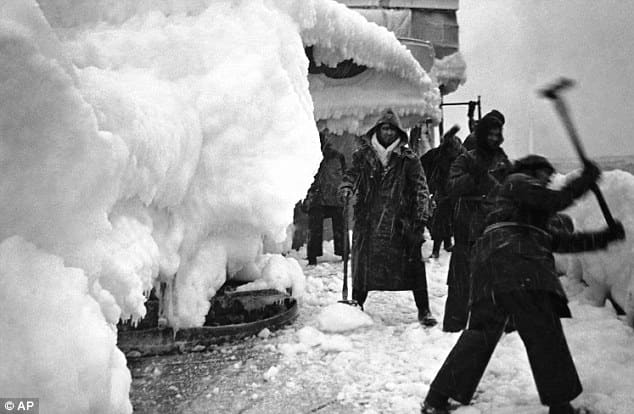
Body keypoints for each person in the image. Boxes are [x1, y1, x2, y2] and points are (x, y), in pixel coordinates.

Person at [421, 155, 626, 414]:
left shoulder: (524, 215)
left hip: (493, 268)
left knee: (479, 337)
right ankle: (560, 406)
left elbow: (562, 242)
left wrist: (606, 237)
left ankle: (436, 399)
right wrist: (586, 180)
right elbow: (554, 200)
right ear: (532, 171)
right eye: (545, 176)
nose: (548, 182)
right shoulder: (517, 181)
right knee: (544, 334)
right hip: (519, 265)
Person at [338, 109, 437, 326]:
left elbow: (421, 188)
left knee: (413, 266)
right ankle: (357, 302)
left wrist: (421, 217)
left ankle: (424, 309)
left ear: (399, 133)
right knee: (364, 266)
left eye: (392, 129)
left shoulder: (408, 159)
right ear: (377, 130)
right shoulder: (363, 156)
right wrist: (347, 186)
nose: (388, 133)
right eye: (384, 128)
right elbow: (352, 174)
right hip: (369, 221)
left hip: (400, 222)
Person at [443, 109, 511, 332]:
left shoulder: (502, 160)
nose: (493, 138)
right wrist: (475, 176)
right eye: (489, 134)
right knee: (461, 280)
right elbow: (452, 187)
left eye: (496, 134)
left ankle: (498, 324)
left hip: (494, 226)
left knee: (496, 278)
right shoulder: (466, 159)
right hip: (468, 226)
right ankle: (455, 325)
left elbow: (511, 189)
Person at [420, 125, 466, 259]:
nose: (454, 150)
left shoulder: (461, 156)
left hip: (453, 192)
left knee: (448, 220)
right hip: (441, 192)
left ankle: (446, 244)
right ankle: (437, 249)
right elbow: (423, 166)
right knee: (441, 221)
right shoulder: (439, 155)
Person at [302, 140, 347, 265]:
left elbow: (345, 175)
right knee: (319, 228)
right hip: (322, 197)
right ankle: (315, 255)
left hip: (328, 197)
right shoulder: (312, 156)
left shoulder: (333, 156)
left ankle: (315, 256)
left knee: (320, 228)